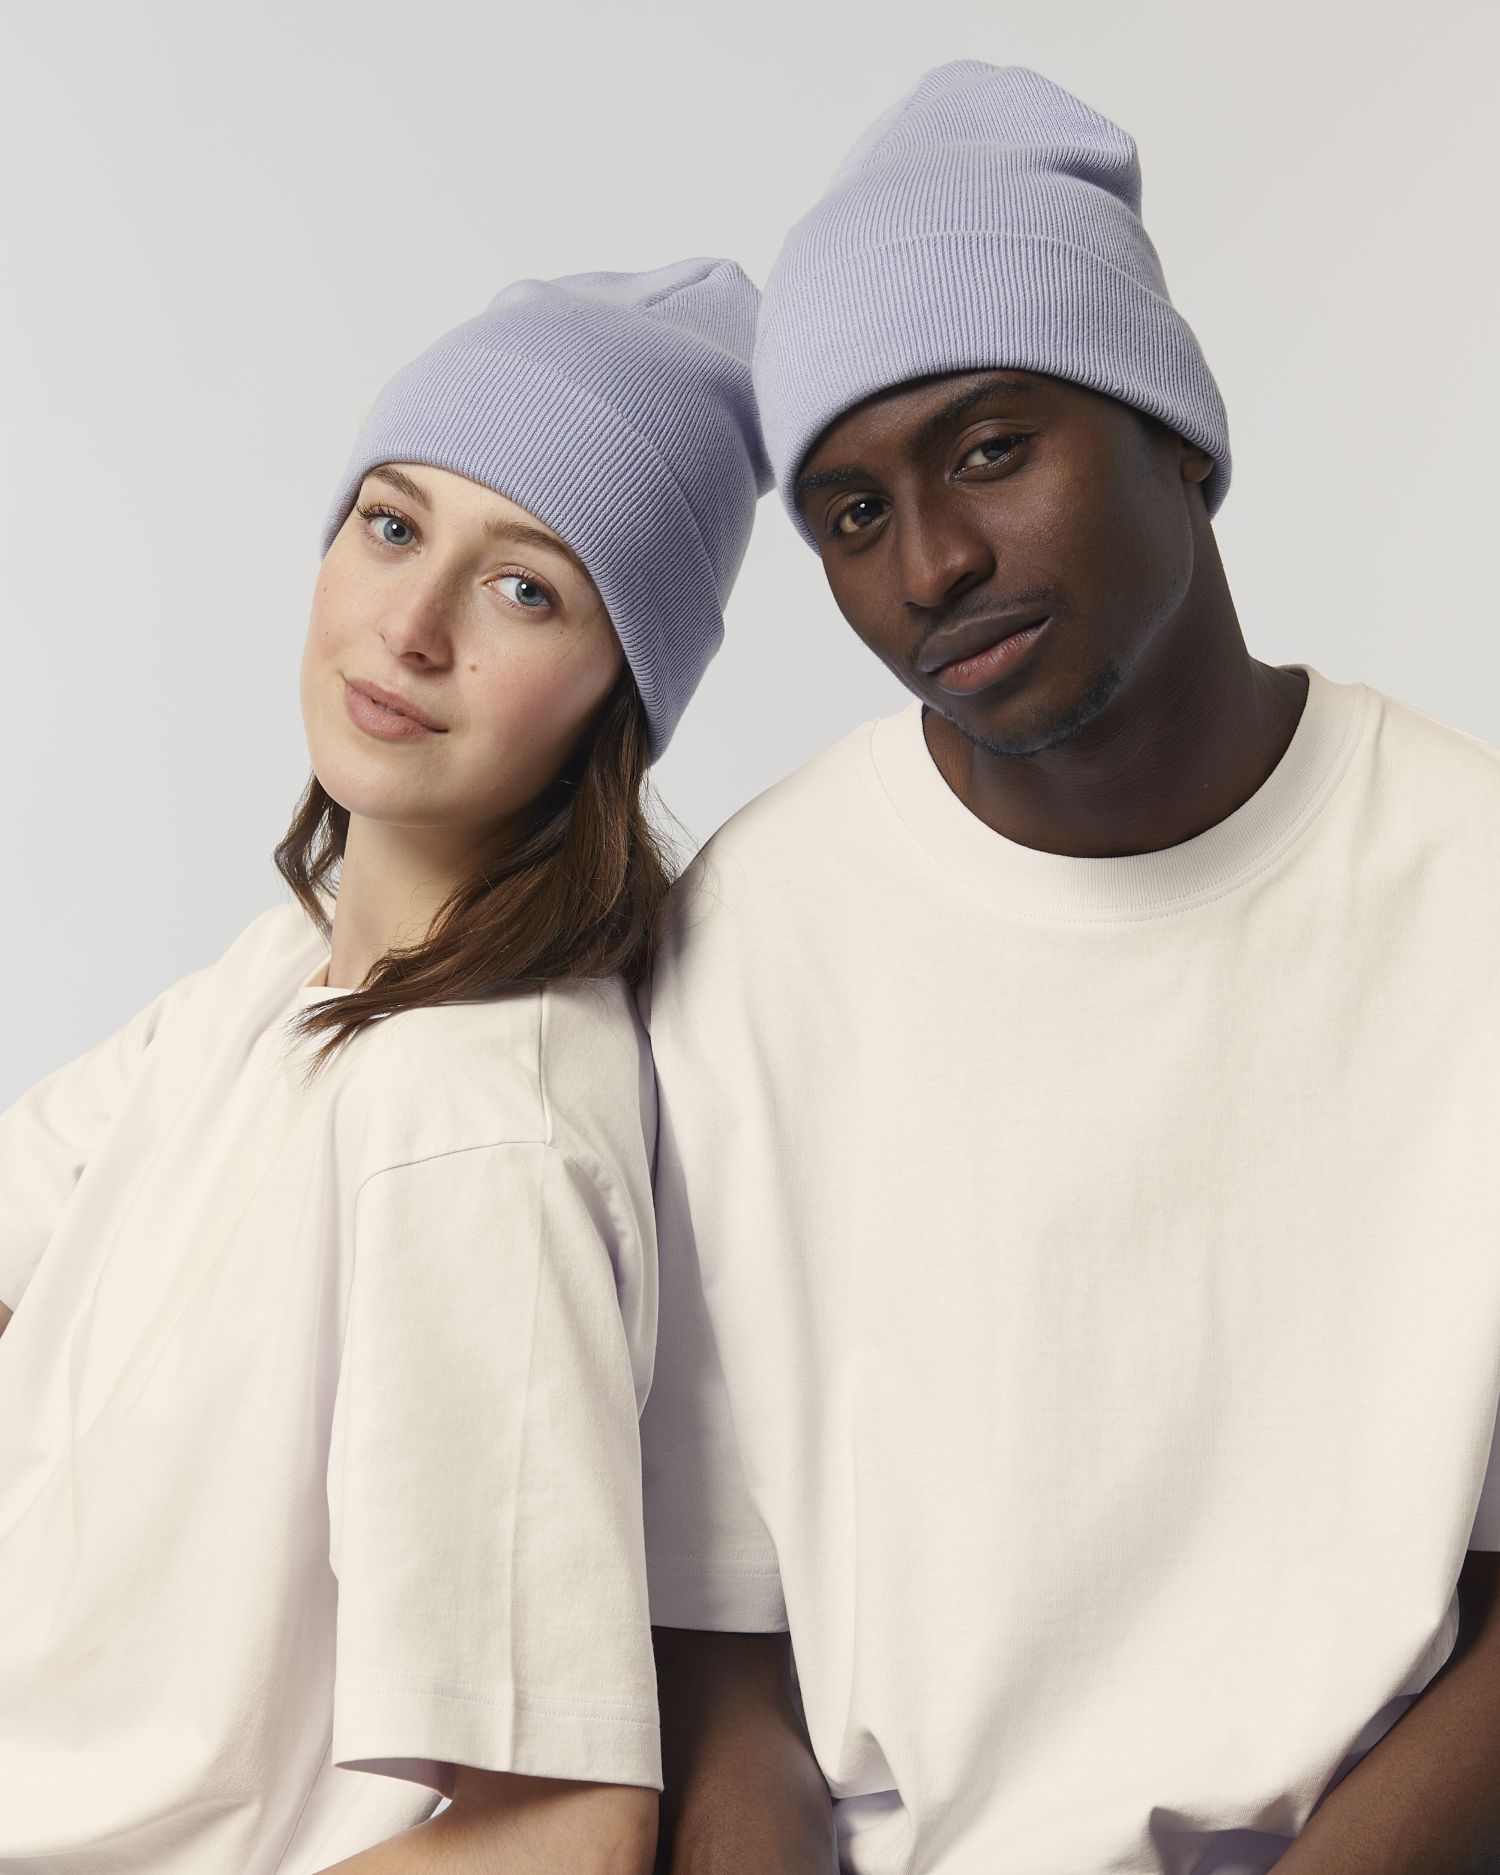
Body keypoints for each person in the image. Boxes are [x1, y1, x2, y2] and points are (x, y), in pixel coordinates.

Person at [639, 62, 1500, 1875]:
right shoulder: (756, 943)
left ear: (1176, 431)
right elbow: (724, 1657)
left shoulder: (1468, 882)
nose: (934, 563)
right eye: (851, 515)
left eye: (990, 449)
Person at [0, 257, 769, 1874]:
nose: (409, 629)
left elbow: (563, 1832)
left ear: (620, 690)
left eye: (526, 590)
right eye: (394, 524)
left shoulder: (475, 1121)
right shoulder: (282, 974)